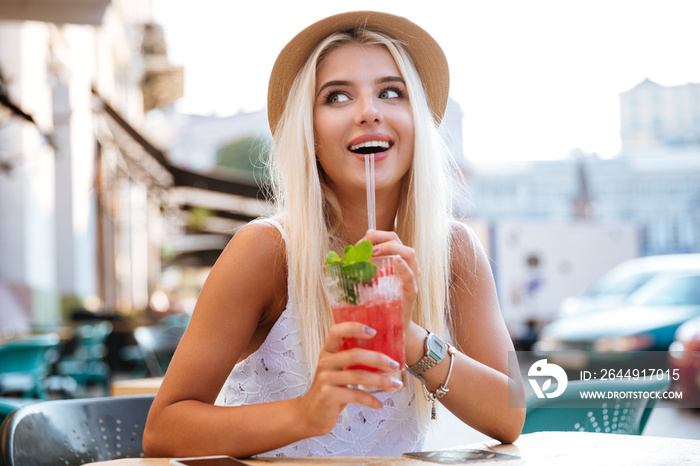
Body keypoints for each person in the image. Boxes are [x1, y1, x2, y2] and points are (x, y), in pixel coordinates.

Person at [143, 10, 525, 458]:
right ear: (310, 132)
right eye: (337, 97)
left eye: (390, 92)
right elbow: (164, 430)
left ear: (416, 120)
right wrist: (306, 414)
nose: (369, 111)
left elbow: (509, 416)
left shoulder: (454, 249)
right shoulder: (266, 250)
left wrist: (409, 336)